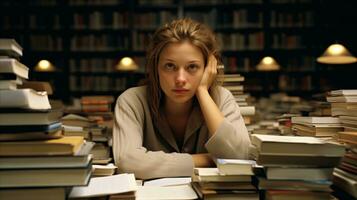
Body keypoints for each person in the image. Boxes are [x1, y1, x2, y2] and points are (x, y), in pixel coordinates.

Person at [113, 18, 251, 180]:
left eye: (192, 67)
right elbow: (127, 162)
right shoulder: (131, 101)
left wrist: (202, 91)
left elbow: (240, 157)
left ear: (208, 69)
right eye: (170, 66)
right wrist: (206, 159)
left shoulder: (222, 98)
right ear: (156, 68)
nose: (180, 79)